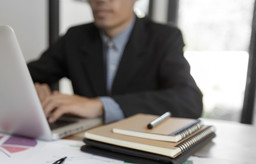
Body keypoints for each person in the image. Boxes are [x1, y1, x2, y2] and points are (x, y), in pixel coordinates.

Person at [28, 0, 203, 124]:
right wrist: (33, 88)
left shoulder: (164, 38)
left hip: (142, 145)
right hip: (83, 143)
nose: (101, 0)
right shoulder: (75, 38)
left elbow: (189, 101)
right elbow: (28, 74)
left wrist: (101, 106)